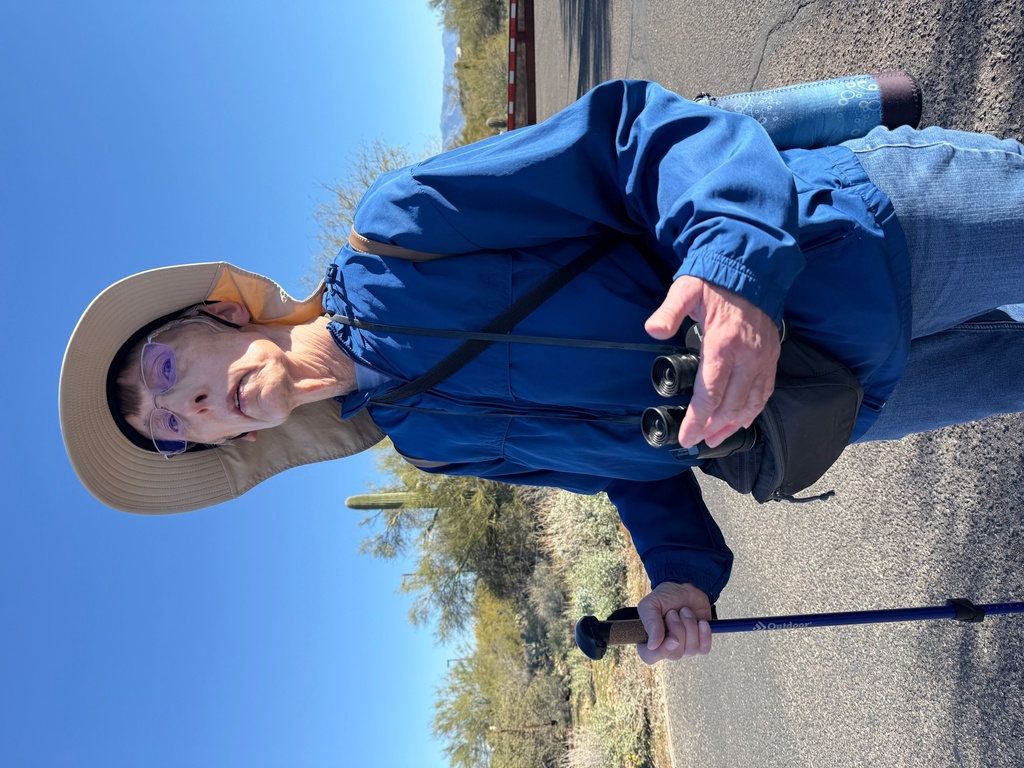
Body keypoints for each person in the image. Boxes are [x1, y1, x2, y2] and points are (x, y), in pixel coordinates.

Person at [60, 79, 1024, 664]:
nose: (183, 401)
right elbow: (621, 460)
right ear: (225, 443)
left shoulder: (398, 238)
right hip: (839, 402)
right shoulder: (430, 444)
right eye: (172, 426)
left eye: (166, 363)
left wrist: (732, 270)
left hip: (858, 238)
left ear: (228, 315)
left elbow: (625, 138)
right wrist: (680, 577)